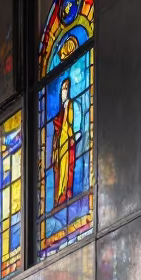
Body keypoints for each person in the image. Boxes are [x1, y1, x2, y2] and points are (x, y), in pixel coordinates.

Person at [52, 76, 81, 206]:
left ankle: (66, 192)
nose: (64, 91)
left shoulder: (72, 105)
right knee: (59, 169)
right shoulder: (60, 112)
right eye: (63, 89)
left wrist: (74, 136)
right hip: (59, 145)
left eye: (66, 88)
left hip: (68, 141)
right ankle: (59, 196)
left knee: (67, 166)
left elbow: (76, 124)